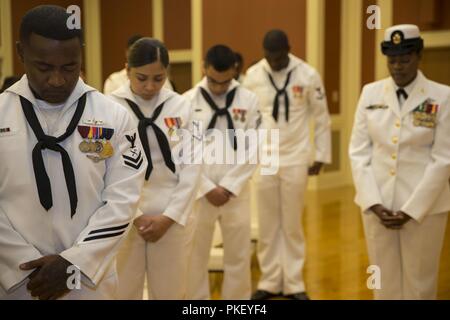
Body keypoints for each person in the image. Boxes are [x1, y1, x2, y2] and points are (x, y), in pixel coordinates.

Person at [0, 5, 146, 300]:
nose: (57, 80)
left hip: (89, 282)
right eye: (43, 67)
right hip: (14, 281)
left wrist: (75, 263)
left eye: (69, 67)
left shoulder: (113, 117)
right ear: (20, 53)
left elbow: (123, 199)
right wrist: (23, 266)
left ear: (81, 55)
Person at [349, 24, 450, 300]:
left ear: (419, 56)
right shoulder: (370, 93)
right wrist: (373, 202)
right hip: (378, 204)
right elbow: (358, 151)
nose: (397, 67)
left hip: (424, 209)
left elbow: (443, 158)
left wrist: (412, 209)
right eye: (392, 60)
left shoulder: (442, 96)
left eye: (404, 59)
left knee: (419, 283)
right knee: (384, 282)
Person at [109, 38, 201, 300]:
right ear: (126, 70)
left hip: (172, 213)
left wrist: (169, 216)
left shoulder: (183, 106)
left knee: (171, 292)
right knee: (124, 291)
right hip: (124, 213)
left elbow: (193, 163)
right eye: (141, 78)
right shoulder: (110, 107)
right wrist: (134, 214)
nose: (150, 86)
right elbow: (107, 167)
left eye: (158, 78)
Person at [243, 29, 331, 300]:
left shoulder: (307, 74)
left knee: (291, 223)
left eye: (279, 57)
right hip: (266, 157)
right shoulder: (254, 75)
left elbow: (322, 116)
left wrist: (321, 155)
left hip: (295, 156)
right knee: (268, 223)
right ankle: (270, 281)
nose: (274, 62)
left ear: (289, 49)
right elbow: (246, 118)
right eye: (269, 57)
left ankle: (294, 283)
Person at [185, 45, 261, 300]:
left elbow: (256, 148)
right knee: (195, 257)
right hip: (199, 192)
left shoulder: (248, 100)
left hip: (235, 192)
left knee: (238, 257)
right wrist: (206, 187)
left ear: (235, 71)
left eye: (226, 82)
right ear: (204, 68)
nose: (219, 88)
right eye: (214, 81)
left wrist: (228, 186)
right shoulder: (187, 101)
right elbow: (183, 150)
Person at [103, 35, 173, 94]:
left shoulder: (166, 83)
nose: (150, 88)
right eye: (141, 78)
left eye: (158, 79)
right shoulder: (114, 81)